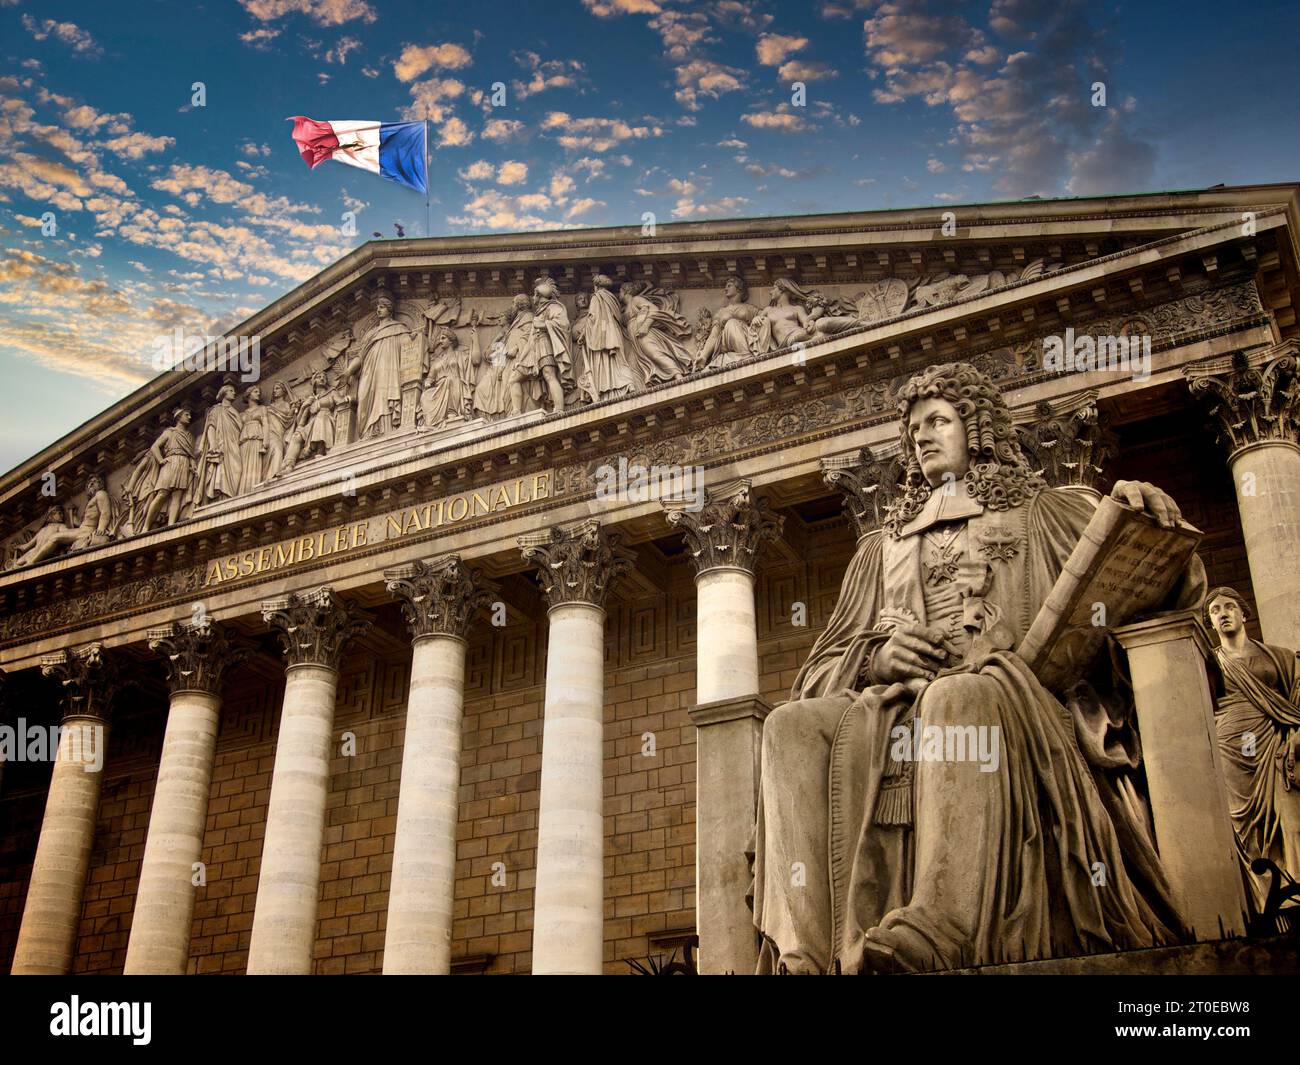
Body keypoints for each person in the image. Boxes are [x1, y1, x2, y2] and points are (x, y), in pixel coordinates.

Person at [751, 361, 1205, 974]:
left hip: (1018, 702)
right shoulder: (881, 551)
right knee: (790, 725)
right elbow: (821, 666)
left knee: (957, 698)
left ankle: (943, 926)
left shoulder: (1044, 514)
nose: (924, 437)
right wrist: (878, 656)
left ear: (978, 429)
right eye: (914, 432)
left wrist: (1148, 512)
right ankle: (807, 953)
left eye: (939, 421)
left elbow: (1160, 578)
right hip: (893, 710)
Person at [1204, 586, 1300, 908]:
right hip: (1232, 747)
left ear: (1244, 614)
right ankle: (1267, 902)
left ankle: (1296, 892)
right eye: (1215, 611)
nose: (1223, 614)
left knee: (1292, 820)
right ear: (1211, 623)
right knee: (1245, 827)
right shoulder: (1209, 664)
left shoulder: (1276, 656)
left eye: (1229, 607)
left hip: (1274, 743)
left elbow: (1295, 693)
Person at [346, 292, 418, 438]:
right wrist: (347, 372)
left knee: (384, 396)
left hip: (389, 368)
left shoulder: (399, 328)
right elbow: (360, 356)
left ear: (389, 309)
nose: (378, 310)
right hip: (368, 371)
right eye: (378, 307)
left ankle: (386, 429)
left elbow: (409, 345)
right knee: (365, 398)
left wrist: (414, 339)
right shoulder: (370, 334)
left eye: (382, 307)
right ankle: (368, 432)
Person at [7, 475, 114, 568]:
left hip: (88, 531)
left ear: (100, 484)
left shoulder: (101, 494)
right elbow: (82, 523)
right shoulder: (92, 500)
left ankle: (31, 562)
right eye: (89, 483)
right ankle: (24, 562)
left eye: (94, 482)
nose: (91, 484)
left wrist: (101, 528)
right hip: (82, 529)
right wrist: (73, 516)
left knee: (55, 537)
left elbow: (105, 512)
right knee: (52, 538)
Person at [509, 276, 569, 414]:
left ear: (538, 295)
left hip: (545, 346)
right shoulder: (538, 313)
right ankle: (516, 412)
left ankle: (559, 409)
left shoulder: (553, 307)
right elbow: (529, 340)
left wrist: (543, 325)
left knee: (549, 375)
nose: (532, 299)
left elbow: (563, 324)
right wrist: (520, 360)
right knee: (514, 379)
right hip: (532, 351)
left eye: (534, 295)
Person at [580, 275, 640, 400]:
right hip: (615, 334)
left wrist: (584, 334)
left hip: (602, 335)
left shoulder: (597, 297)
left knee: (605, 362)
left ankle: (607, 391)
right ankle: (629, 383)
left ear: (595, 286)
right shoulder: (613, 299)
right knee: (619, 360)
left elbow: (593, 318)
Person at [192, 383, 244, 506]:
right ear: (224, 393)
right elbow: (211, 426)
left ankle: (231, 496)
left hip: (234, 444)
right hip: (222, 444)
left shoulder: (234, 411)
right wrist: (213, 444)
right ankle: (221, 497)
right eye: (231, 390)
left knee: (237, 469)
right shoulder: (216, 410)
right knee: (222, 470)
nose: (234, 393)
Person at [697, 274, 759, 369]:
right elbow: (714, 335)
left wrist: (758, 318)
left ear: (739, 288)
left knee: (732, 323)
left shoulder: (749, 308)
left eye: (729, 285)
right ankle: (746, 356)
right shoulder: (721, 312)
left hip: (747, 337)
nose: (725, 289)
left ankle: (745, 355)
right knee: (731, 323)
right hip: (727, 343)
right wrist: (704, 356)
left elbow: (767, 316)